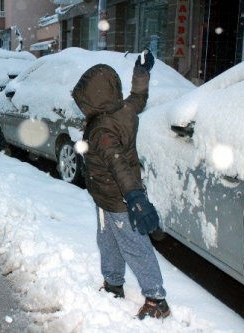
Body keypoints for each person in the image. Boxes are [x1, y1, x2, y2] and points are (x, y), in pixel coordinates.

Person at [71, 49, 170, 320]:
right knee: (108, 241)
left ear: (95, 99)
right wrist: (141, 74)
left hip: (118, 199)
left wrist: (135, 197)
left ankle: (156, 299)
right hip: (107, 199)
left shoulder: (102, 130)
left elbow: (117, 164)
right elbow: (139, 97)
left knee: (134, 247)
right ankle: (113, 284)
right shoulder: (124, 110)